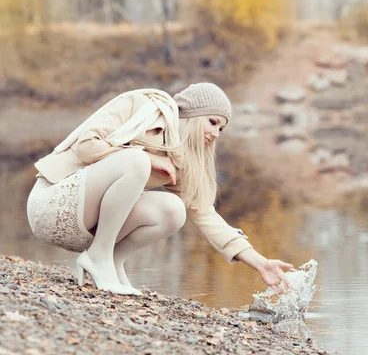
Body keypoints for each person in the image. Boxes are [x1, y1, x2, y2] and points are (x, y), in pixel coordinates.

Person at [26, 83, 294, 296]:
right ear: (193, 113)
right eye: (212, 122)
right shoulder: (140, 106)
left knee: (174, 210)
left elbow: (205, 215)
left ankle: (109, 261)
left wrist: (260, 263)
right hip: (52, 204)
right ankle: (99, 257)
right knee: (137, 161)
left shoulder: (181, 160)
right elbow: (87, 145)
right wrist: (149, 157)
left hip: (86, 229)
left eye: (221, 128)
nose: (216, 134)